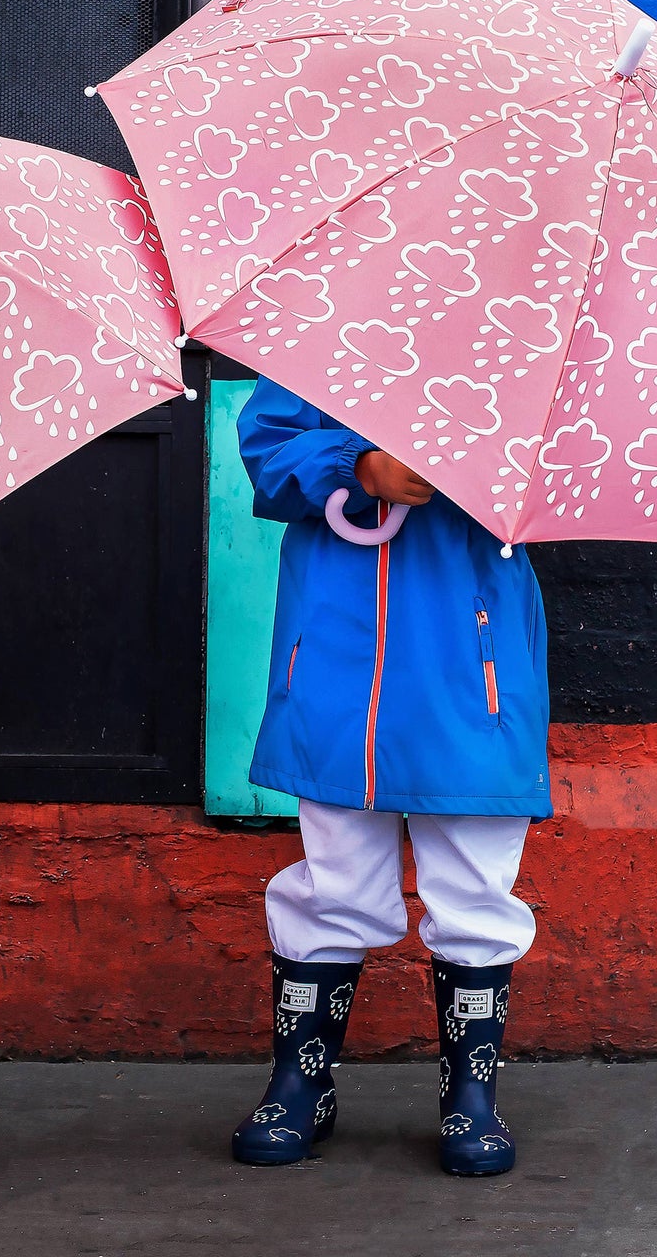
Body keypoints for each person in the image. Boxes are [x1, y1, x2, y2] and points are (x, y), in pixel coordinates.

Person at [231, 377, 551, 1177]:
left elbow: (567, 476)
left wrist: (474, 457)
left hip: (470, 669)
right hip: (339, 659)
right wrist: (356, 464)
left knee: (477, 884)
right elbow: (266, 453)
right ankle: (299, 1083)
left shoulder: (532, 353)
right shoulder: (324, 334)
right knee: (334, 878)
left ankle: (470, 1095)